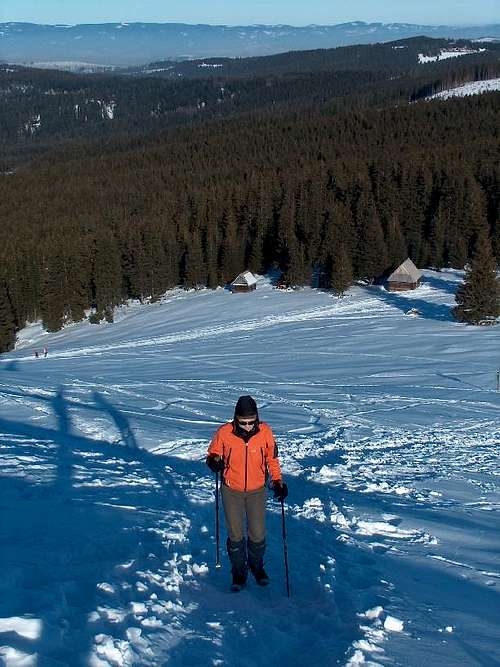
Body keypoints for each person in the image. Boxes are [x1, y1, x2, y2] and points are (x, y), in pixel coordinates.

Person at [206, 395, 288, 591]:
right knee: (235, 534)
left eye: (252, 422)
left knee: (258, 534)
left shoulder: (265, 432)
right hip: (231, 490)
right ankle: (239, 571)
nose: (248, 426)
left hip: (257, 490)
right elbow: (212, 454)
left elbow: (272, 460)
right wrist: (214, 462)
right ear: (236, 419)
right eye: (243, 422)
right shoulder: (224, 432)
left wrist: (277, 482)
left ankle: (256, 566)